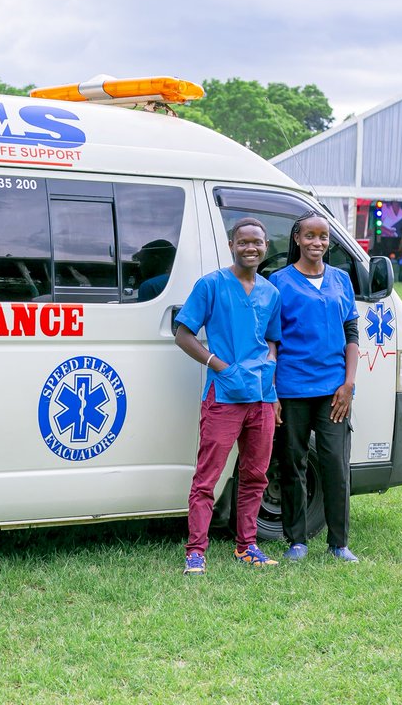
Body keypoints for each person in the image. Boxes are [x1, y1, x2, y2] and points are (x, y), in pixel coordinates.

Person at [173, 217, 282, 574]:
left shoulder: (271, 293)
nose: (251, 248)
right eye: (244, 241)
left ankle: (246, 546)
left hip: (262, 398)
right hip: (224, 395)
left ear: (266, 247)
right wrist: (218, 365)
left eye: (258, 242)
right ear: (232, 246)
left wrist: (269, 367)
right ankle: (196, 551)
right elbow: (184, 333)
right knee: (208, 475)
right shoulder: (212, 285)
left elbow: (271, 338)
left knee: (255, 475)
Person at [271, 212, 361, 562]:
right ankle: (297, 540)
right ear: (297, 238)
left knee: (335, 464)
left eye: (323, 237)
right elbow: (272, 342)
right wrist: (273, 391)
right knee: (292, 464)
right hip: (292, 388)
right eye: (309, 236)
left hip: (334, 391)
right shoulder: (280, 282)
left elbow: (352, 334)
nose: (317, 243)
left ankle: (339, 543)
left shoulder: (341, 280)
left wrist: (349, 383)